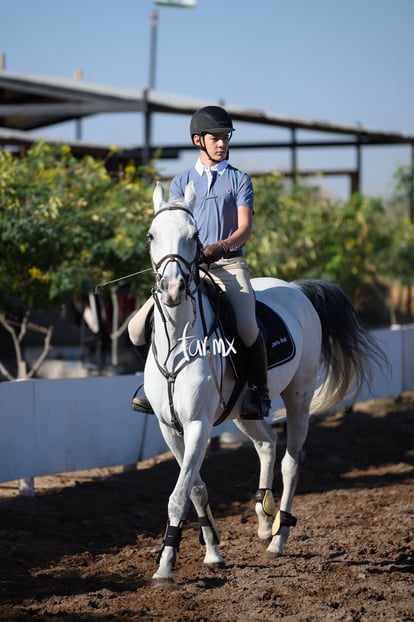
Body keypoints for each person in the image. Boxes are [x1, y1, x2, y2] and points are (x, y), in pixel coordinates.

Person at [128, 105, 270, 419]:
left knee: (247, 326)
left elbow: (245, 228)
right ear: (198, 140)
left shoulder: (239, 180)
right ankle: (152, 388)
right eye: (215, 138)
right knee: (137, 327)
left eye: (226, 137)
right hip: (189, 269)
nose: (222, 143)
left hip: (229, 266)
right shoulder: (180, 182)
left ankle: (259, 392)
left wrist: (221, 246)